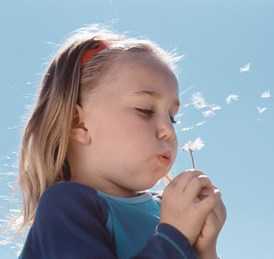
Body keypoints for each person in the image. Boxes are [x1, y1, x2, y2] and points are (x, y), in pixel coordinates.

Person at [16, 25, 226, 259]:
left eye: (172, 117)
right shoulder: (65, 207)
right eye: (145, 110)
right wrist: (174, 236)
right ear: (79, 124)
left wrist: (205, 249)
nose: (167, 130)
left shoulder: (165, 211)